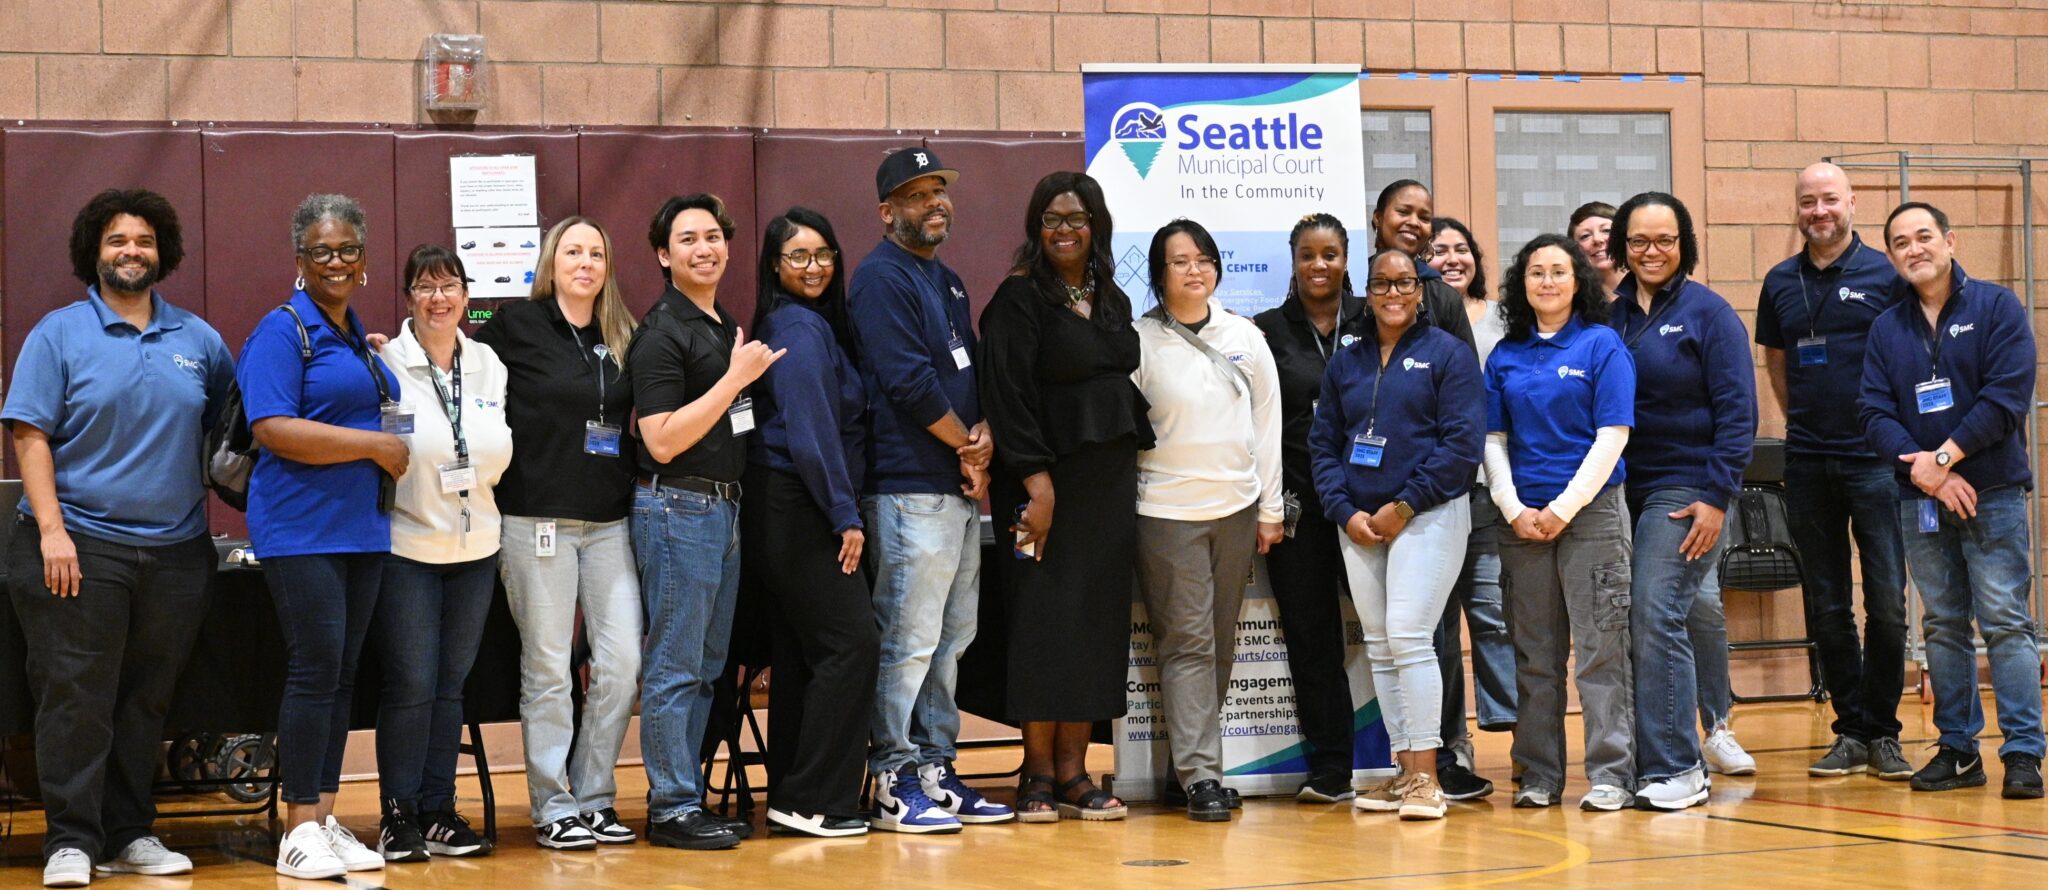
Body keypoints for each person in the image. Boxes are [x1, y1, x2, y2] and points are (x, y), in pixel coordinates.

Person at [4, 190, 232, 888]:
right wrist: (53, 532)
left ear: (162, 250)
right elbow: (28, 433)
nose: (130, 250)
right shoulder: (60, 332)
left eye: (142, 240)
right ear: (92, 253)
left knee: (146, 699)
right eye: (115, 241)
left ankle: (131, 832)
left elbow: (238, 426)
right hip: (81, 544)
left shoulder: (199, 340)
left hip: (176, 550)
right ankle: (70, 839)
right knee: (76, 695)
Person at [238, 193, 405, 877]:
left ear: (363, 258)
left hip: (362, 529)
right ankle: (296, 825)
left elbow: (380, 413)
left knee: (340, 678)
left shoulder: (352, 332)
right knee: (314, 670)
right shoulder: (282, 331)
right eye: (321, 250)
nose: (335, 261)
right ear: (300, 258)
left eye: (347, 250)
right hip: (300, 530)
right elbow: (272, 427)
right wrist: (371, 448)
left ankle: (326, 820)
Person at [849, 147, 1015, 832]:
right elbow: (907, 381)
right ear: (888, 211)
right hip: (905, 487)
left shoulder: (946, 282)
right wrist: (964, 443)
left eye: (939, 191)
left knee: (953, 635)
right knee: (909, 638)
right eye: (918, 196)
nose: (935, 204)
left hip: (954, 487)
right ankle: (890, 774)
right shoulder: (879, 278)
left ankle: (934, 768)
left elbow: (965, 375)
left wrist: (982, 439)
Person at [979, 172, 1149, 822]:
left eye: (1076, 219)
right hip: (1043, 488)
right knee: (1042, 624)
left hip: (1106, 492)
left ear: (1096, 226)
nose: (1064, 230)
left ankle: (1078, 773)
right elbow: (1008, 397)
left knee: (1094, 628)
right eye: (1051, 218)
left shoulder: (1109, 297)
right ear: (1035, 227)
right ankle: (1037, 775)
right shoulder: (1020, 299)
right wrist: (1037, 484)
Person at [1860, 201, 2044, 801]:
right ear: (1891, 256)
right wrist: (1927, 472)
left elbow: (2007, 395)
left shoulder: (1997, 307)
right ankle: (1959, 749)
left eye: (1923, 237)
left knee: (2005, 622)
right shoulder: (1888, 328)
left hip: (1990, 491)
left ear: (1950, 241)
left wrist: (1943, 460)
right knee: (1941, 623)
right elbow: (1874, 413)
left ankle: (2023, 753)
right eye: (1900, 243)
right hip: (1921, 498)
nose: (1914, 249)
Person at [471, 216, 642, 850]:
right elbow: (456, 368)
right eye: (573, 251)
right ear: (552, 260)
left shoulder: (622, 331)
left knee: (622, 664)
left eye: (596, 252)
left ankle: (594, 795)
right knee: (548, 669)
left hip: (609, 523)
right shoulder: (517, 324)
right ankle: (552, 804)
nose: (585, 263)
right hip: (534, 519)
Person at [629, 194, 782, 849]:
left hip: (723, 508)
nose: (705, 248)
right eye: (688, 239)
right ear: (664, 256)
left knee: (707, 665)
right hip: (678, 507)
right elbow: (660, 438)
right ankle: (669, 806)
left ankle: (684, 795)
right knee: (674, 665)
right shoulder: (662, 331)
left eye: (714, 236)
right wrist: (733, 378)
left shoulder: (721, 324)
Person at [1570, 200, 1744, 777]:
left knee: (1653, 613)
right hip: (1619, 493)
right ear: (1622, 246)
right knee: (1637, 618)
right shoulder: (1607, 317)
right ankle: (1650, 756)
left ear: (1683, 244)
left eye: (1664, 240)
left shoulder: (1710, 314)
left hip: (1687, 488)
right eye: (1639, 241)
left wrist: (1718, 497)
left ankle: (1677, 767)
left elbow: (1738, 412)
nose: (1651, 251)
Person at [1310, 249, 1485, 821]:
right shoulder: (1347, 360)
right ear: (1367, 290)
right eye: (1380, 283)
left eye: (1403, 282)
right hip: (1358, 524)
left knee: (1409, 636)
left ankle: (1428, 780)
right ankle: (1403, 772)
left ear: (1419, 290)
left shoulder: (1449, 355)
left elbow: (1461, 446)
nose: (1391, 293)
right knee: (1382, 646)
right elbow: (1324, 444)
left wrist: (1404, 506)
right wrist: (1344, 511)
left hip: (1428, 514)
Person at [1754, 163, 1910, 781]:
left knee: (1890, 605)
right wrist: (1803, 424)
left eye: (1829, 200)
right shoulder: (1779, 281)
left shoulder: (1886, 274)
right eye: (1807, 202)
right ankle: (1850, 731)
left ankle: (1885, 731)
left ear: (1852, 202)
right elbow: (1777, 360)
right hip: (1809, 461)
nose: (1819, 211)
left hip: (1876, 461)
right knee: (1827, 603)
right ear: (1797, 209)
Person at [1131, 218, 1285, 822]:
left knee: (1218, 647)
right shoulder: (1140, 341)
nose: (1194, 270)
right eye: (1179, 261)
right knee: (1188, 643)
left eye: (1204, 259)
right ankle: (1203, 777)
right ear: (1159, 273)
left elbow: (1266, 424)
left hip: (1238, 510)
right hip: (1166, 511)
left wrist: (1270, 507)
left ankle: (1185, 769)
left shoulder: (1246, 336)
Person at [1483, 234, 1637, 811]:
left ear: (1579, 281)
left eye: (1558, 271)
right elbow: (1491, 439)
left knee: (1601, 651)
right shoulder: (1505, 355)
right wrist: (1514, 508)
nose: (1547, 281)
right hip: (1521, 522)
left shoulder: (1603, 346)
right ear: (1522, 285)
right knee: (1535, 656)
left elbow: (1613, 437)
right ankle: (1539, 776)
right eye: (1535, 272)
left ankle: (1611, 775)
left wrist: (1561, 509)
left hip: (1590, 518)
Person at [369, 246, 512, 862]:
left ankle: (437, 809)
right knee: (410, 684)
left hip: (477, 545)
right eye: (425, 287)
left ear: (465, 293)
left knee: (450, 686)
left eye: (450, 285)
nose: (439, 298)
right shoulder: (385, 361)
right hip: (408, 545)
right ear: (407, 298)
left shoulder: (487, 364)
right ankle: (396, 814)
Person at [743, 208, 878, 838]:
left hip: (790, 505)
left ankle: (793, 796)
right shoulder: (795, 326)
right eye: (798, 256)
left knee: (803, 655)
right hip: (801, 505)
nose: (814, 266)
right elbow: (811, 434)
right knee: (851, 645)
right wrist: (845, 516)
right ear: (774, 264)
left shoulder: (808, 323)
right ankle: (818, 799)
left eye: (823, 254)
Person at [1253, 213, 1363, 804]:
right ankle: (1331, 769)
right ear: (1292, 261)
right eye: (1307, 255)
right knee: (1312, 641)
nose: (1319, 266)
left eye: (1330, 254)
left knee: (1398, 637)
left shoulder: (1376, 319)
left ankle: (1421, 760)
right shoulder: (1266, 331)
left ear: (1347, 259)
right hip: (1298, 508)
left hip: (1373, 509)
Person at [1425, 217, 1513, 800]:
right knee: (1433, 631)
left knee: (1493, 616)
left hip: (1493, 491)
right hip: (1434, 492)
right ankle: (1449, 747)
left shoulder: (1506, 318)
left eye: (1460, 249)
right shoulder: (1415, 316)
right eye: (1438, 250)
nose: (1451, 258)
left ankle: (1522, 739)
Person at [1368, 179, 1475, 350]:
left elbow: (1466, 370)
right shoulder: (1357, 280)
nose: (1414, 222)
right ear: (1378, 217)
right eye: (1403, 212)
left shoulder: (1444, 297)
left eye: (1424, 218)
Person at [1569, 202, 1625, 298]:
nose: (1597, 239)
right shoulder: (1573, 303)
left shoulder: (1651, 286)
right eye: (1585, 236)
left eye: (1606, 231)